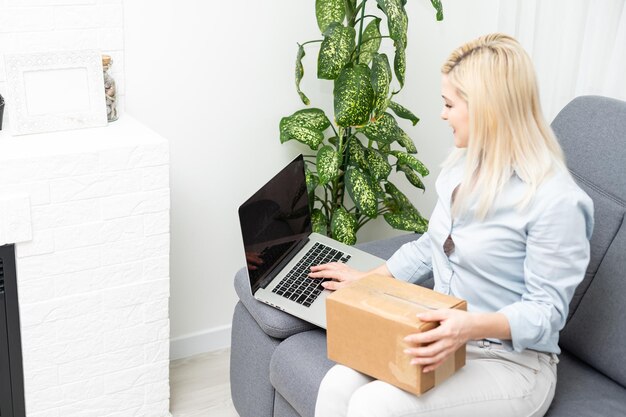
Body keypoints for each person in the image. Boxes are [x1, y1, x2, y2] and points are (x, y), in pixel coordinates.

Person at [309, 33, 594, 417]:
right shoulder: (462, 165)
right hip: (445, 341)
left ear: (487, 110)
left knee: (374, 404)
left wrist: (466, 326)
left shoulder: (555, 200)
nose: (442, 115)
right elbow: (431, 245)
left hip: (512, 363)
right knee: (337, 384)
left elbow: (547, 313)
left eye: (449, 104)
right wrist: (369, 281)